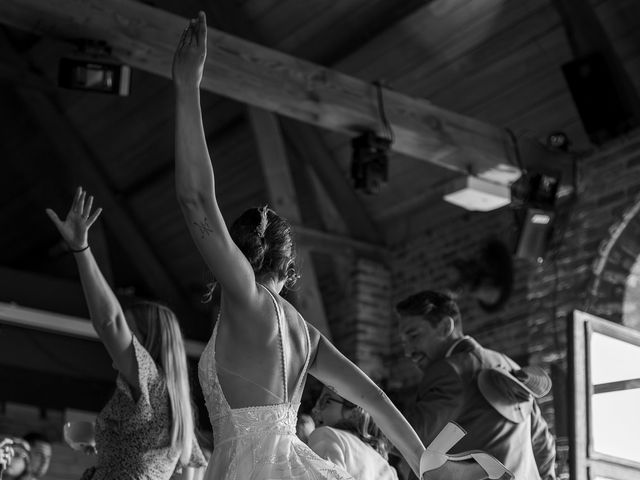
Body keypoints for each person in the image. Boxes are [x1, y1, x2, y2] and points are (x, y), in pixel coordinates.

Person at [172, 11, 512, 480]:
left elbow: (195, 200)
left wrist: (187, 86)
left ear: (237, 254)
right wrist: (424, 461)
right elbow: (372, 396)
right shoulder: (304, 335)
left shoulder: (246, 299)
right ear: (290, 269)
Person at [46, 189, 206, 480]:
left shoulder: (151, 381)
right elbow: (194, 468)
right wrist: (114, 452)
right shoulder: (176, 405)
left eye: (131, 333)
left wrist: (81, 249)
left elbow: (108, 322)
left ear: (148, 343)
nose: (120, 341)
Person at [396, 290, 556, 480]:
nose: (407, 351)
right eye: (403, 342)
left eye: (413, 336)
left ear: (445, 326)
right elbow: (542, 446)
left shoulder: (449, 370)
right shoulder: (509, 364)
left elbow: (410, 440)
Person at [309, 387, 397, 480]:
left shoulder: (328, 435)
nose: (315, 409)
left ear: (353, 411)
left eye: (326, 401)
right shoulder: (387, 469)